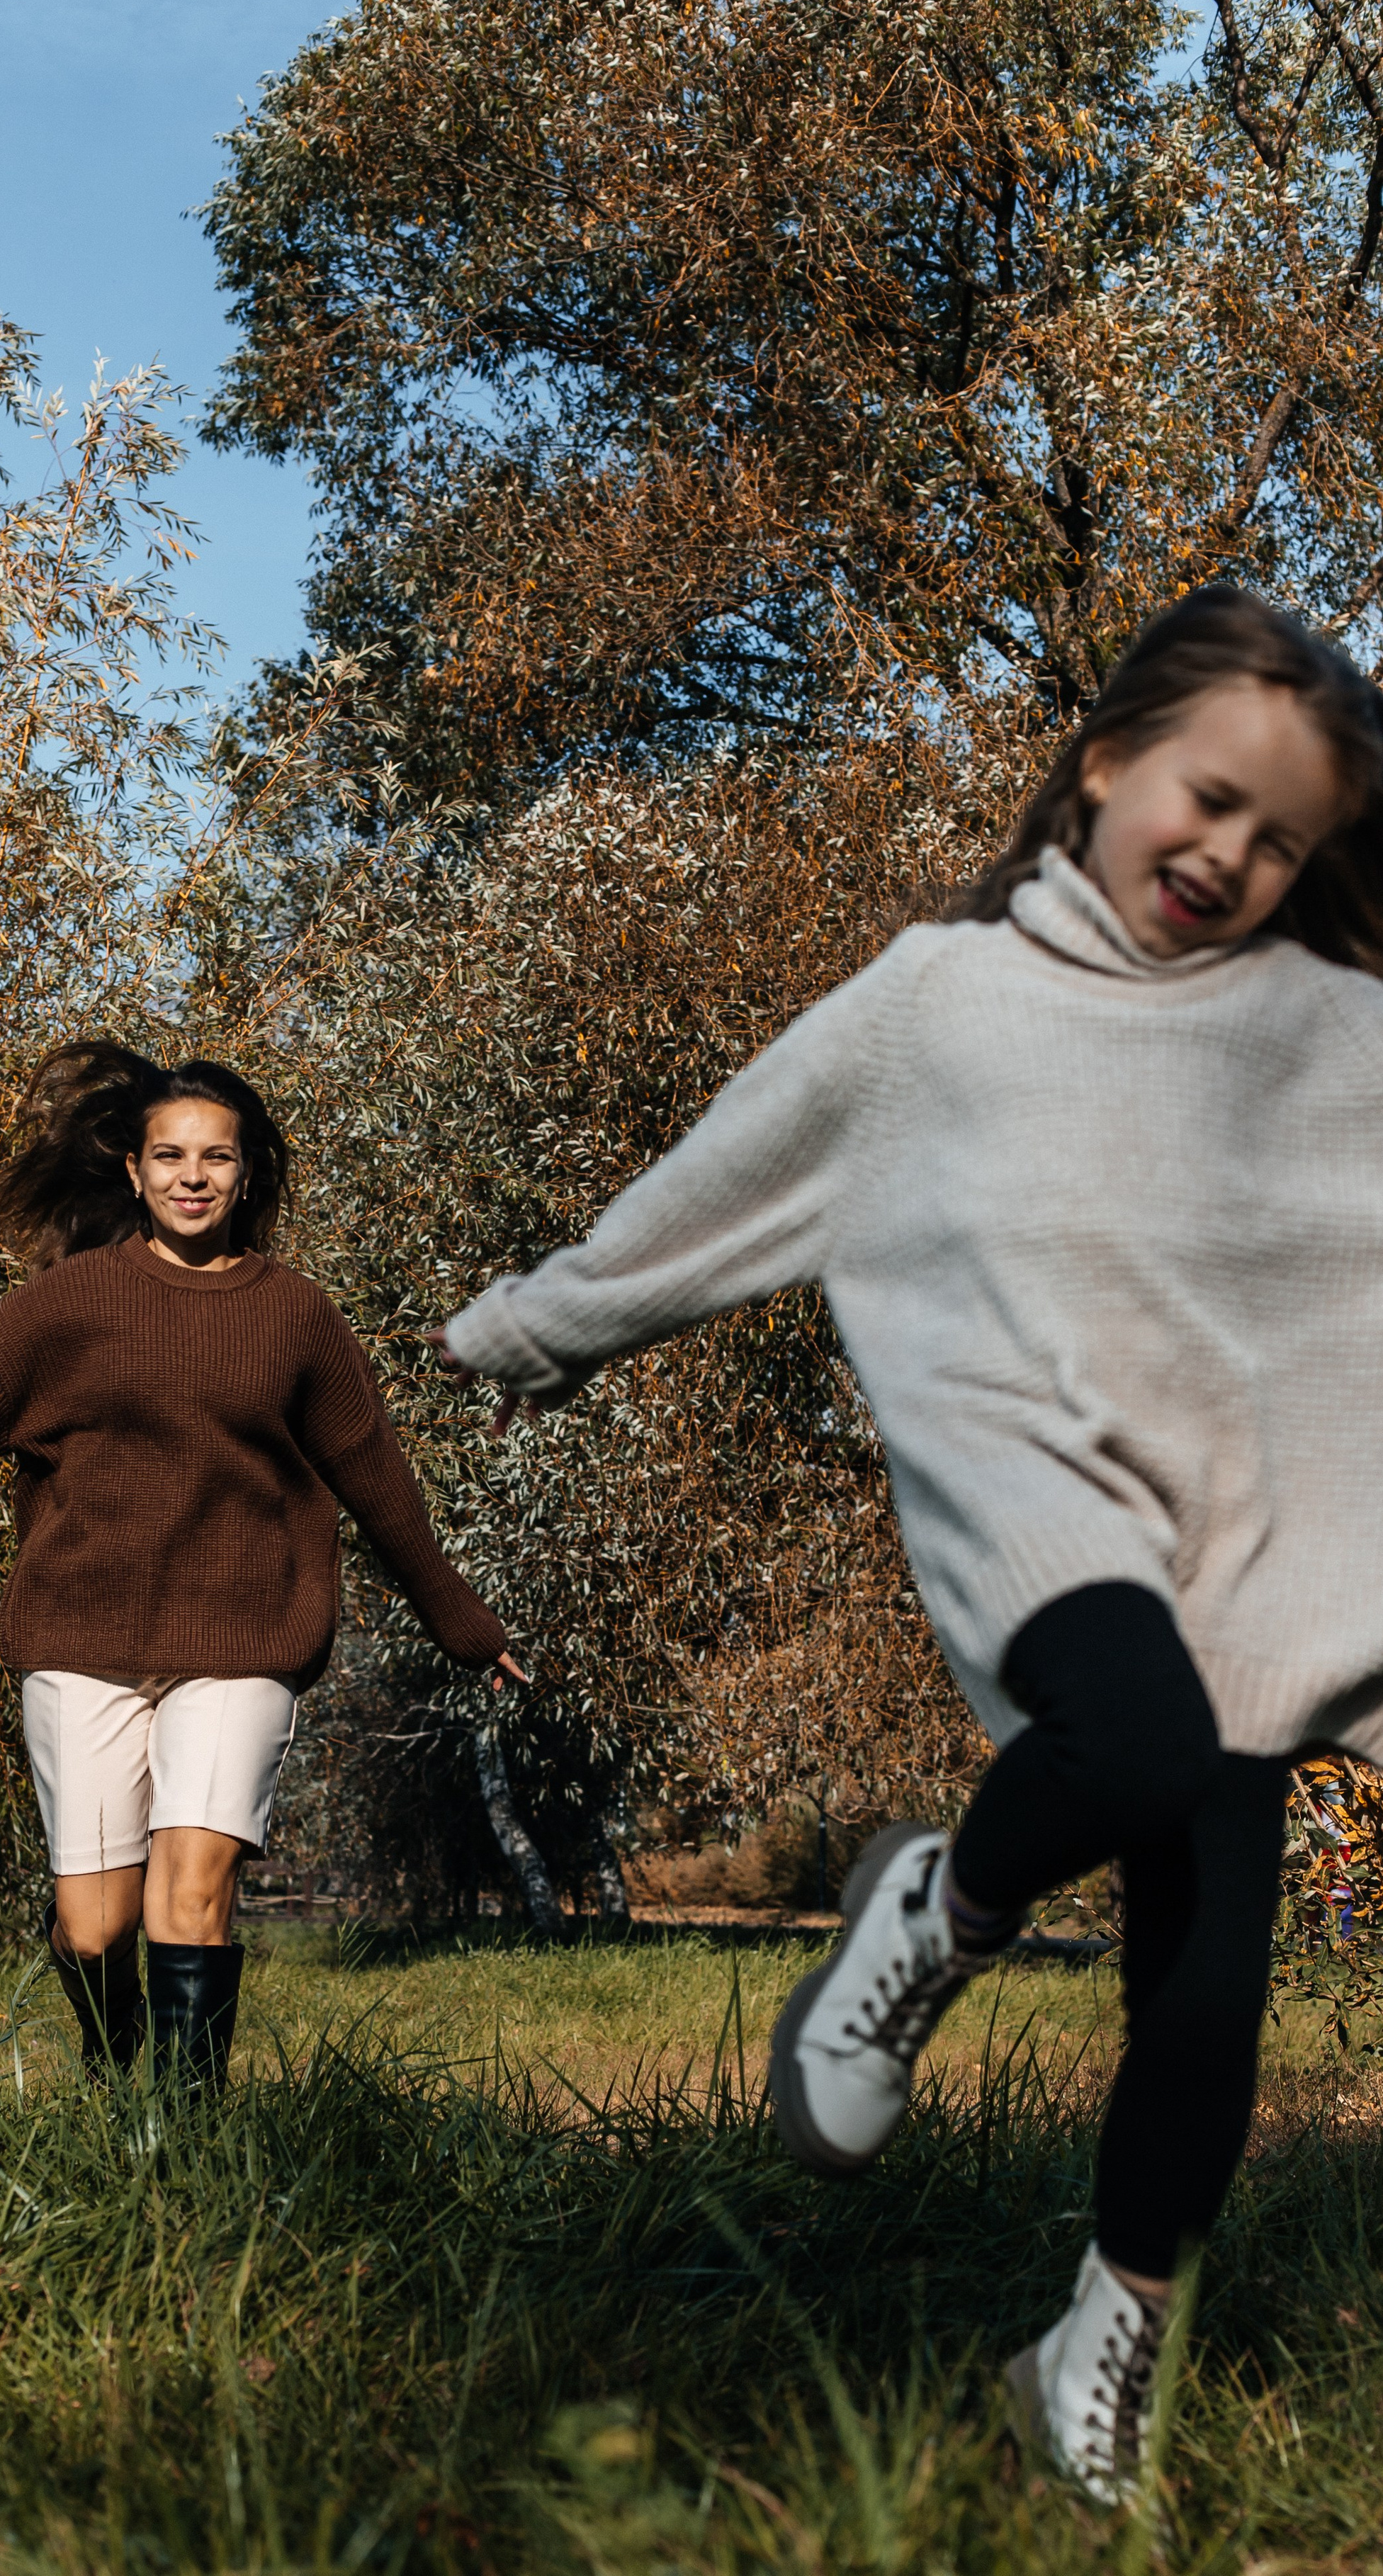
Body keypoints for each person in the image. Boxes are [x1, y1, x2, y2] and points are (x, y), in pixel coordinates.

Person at [434, 587, 1383, 2505]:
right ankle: (933, 1913)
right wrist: (535, 1326)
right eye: (1208, 800)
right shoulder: (939, 1009)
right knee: (1132, 1741)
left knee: (1204, 1999)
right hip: (1033, 1478)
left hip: (1247, 1535)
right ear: (1106, 762)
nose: (1230, 856)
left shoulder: (1328, 1033)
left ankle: (1093, 2354)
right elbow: (726, 1178)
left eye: (1281, 839)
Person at [0, 1044, 520, 2094]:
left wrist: (464, 1623)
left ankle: (187, 2133)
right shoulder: (69, 1304)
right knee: (96, 1921)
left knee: (192, 1893)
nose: (192, 1176)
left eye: (215, 1157)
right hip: (83, 1635)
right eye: (170, 1157)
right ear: (133, 1173)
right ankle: (115, 2076)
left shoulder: (296, 1316)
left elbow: (374, 1474)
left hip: (244, 1637)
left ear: (248, 1174)